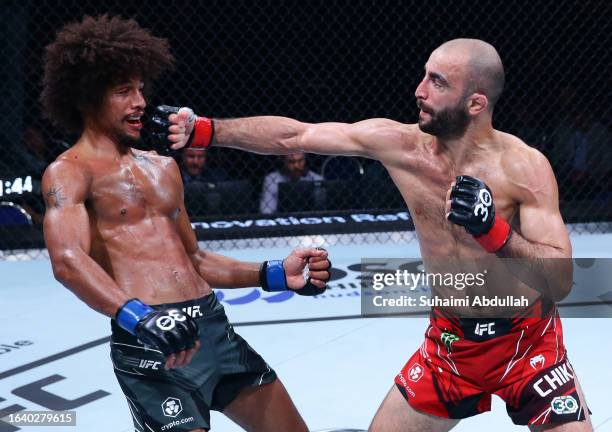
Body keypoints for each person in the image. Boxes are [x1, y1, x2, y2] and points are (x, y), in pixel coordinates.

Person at [163, 38, 592, 431]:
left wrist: (492, 231)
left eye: (437, 82)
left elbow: (561, 281)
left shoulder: (524, 168)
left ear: (475, 102)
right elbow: (297, 133)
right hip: (449, 345)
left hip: (528, 345)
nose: (419, 90)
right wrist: (205, 130)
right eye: (424, 74)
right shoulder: (399, 145)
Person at [40, 15, 331, 432]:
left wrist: (272, 275)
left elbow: (194, 258)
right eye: (124, 91)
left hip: (213, 329)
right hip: (151, 346)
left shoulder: (162, 167)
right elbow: (67, 260)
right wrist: (140, 318)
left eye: (140, 89)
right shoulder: (69, 172)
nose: (140, 102)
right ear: (88, 99)